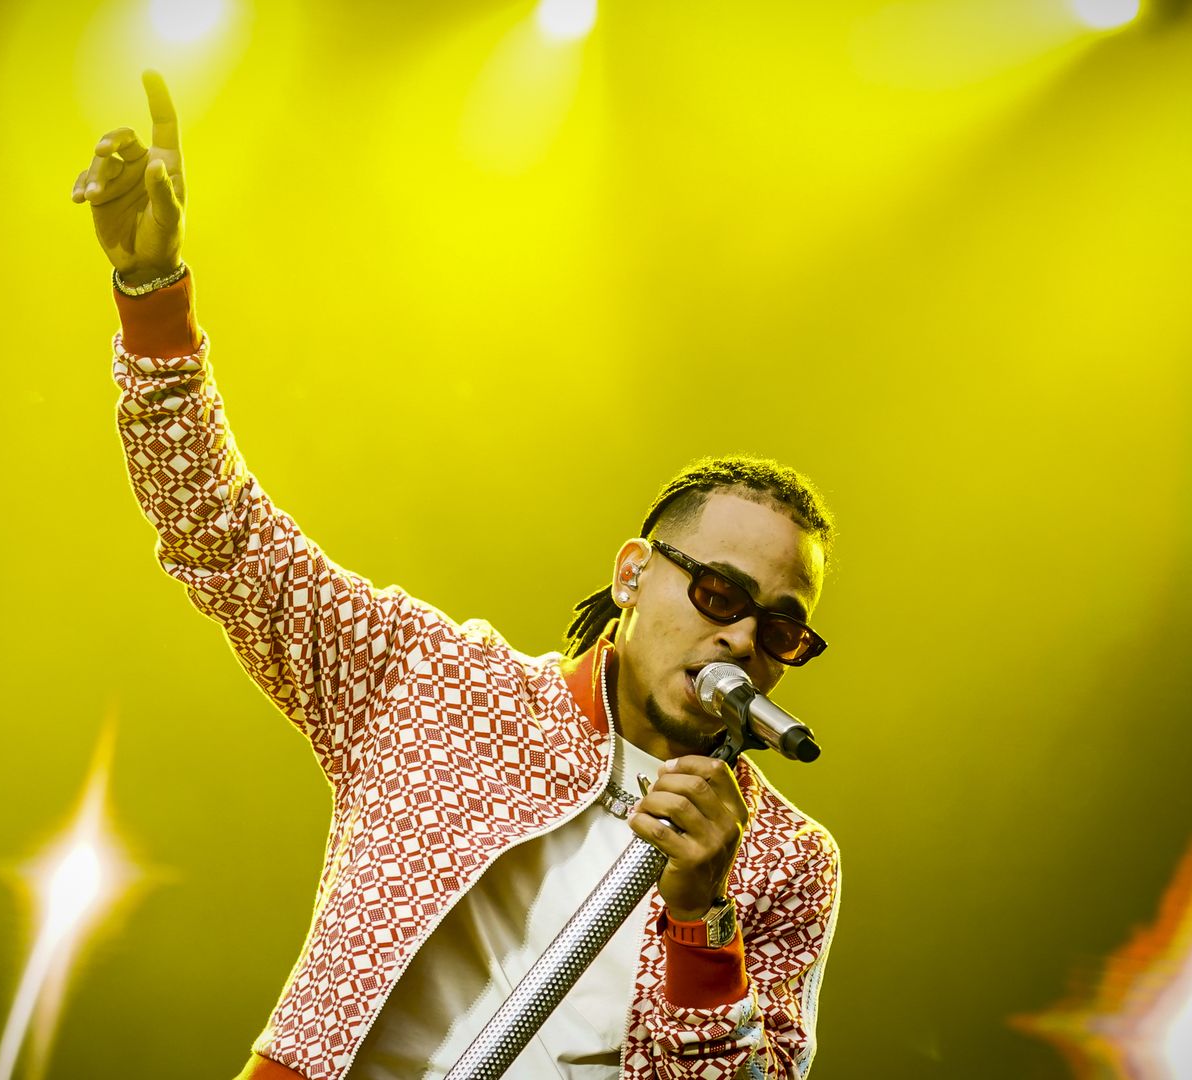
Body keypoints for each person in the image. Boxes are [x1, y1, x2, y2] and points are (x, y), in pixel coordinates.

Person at [73, 72, 841, 1080]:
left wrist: (703, 921)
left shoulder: (786, 860)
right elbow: (221, 536)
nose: (742, 637)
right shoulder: (437, 684)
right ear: (632, 575)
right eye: (722, 596)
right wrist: (153, 299)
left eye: (779, 628)